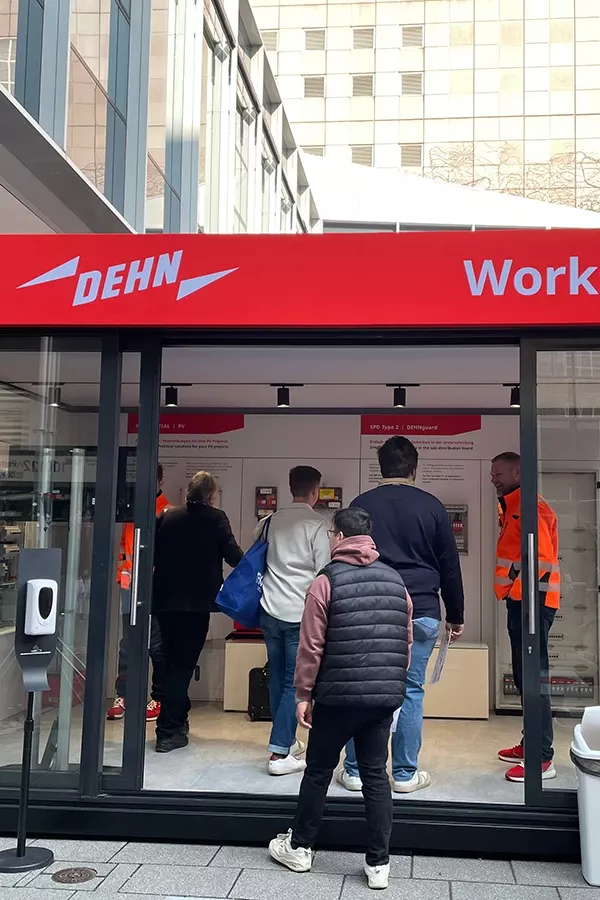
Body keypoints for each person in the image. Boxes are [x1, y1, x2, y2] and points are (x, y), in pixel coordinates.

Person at [268, 507, 412, 891]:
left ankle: (300, 847)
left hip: (336, 698)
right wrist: (390, 686)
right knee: (375, 777)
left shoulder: (325, 581)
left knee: (317, 772)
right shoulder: (396, 581)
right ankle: (378, 864)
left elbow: (311, 646)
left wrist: (303, 693)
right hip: (382, 699)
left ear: (338, 537)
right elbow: (405, 643)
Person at [340, 435, 465, 794]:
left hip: (368, 607)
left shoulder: (361, 504)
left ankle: (355, 770)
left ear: (379, 468)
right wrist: (455, 615)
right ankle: (406, 775)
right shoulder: (432, 507)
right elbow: (449, 565)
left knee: (360, 689)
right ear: (414, 467)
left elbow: (347, 557)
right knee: (410, 690)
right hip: (422, 609)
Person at [152, 471, 243, 753]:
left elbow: (151, 553)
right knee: (182, 666)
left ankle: (177, 720)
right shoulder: (216, 518)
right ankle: (167, 731)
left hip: (164, 601)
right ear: (212, 495)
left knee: (168, 663)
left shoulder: (167, 516)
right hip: (196, 605)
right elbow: (233, 555)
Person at [491, 451, 559, 783]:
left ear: (518, 472)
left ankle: (541, 757)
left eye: (498, 473)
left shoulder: (529, 506)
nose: (493, 478)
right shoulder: (514, 505)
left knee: (534, 680)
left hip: (532, 605)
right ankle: (530, 742)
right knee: (524, 677)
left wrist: (520, 597)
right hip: (522, 603)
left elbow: (541, 562)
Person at [258, 465, 330, 775]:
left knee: (277, 678)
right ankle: (279, 753)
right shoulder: (317, 525)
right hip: (299, 613)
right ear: (315, 490)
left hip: (268, 610)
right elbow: (324, 572)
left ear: (290, 489)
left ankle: (284, 738)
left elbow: (256, 555)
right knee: (293, 682)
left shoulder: (269, 520)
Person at [107, 465, 170, 723]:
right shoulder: (131, 512)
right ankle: (125, 696)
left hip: (154, 590)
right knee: (128, 646)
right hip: (129, 589)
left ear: (158, 481)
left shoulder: (166, 511)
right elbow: (126, 552)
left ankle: (159, 698)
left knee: (157, 645)